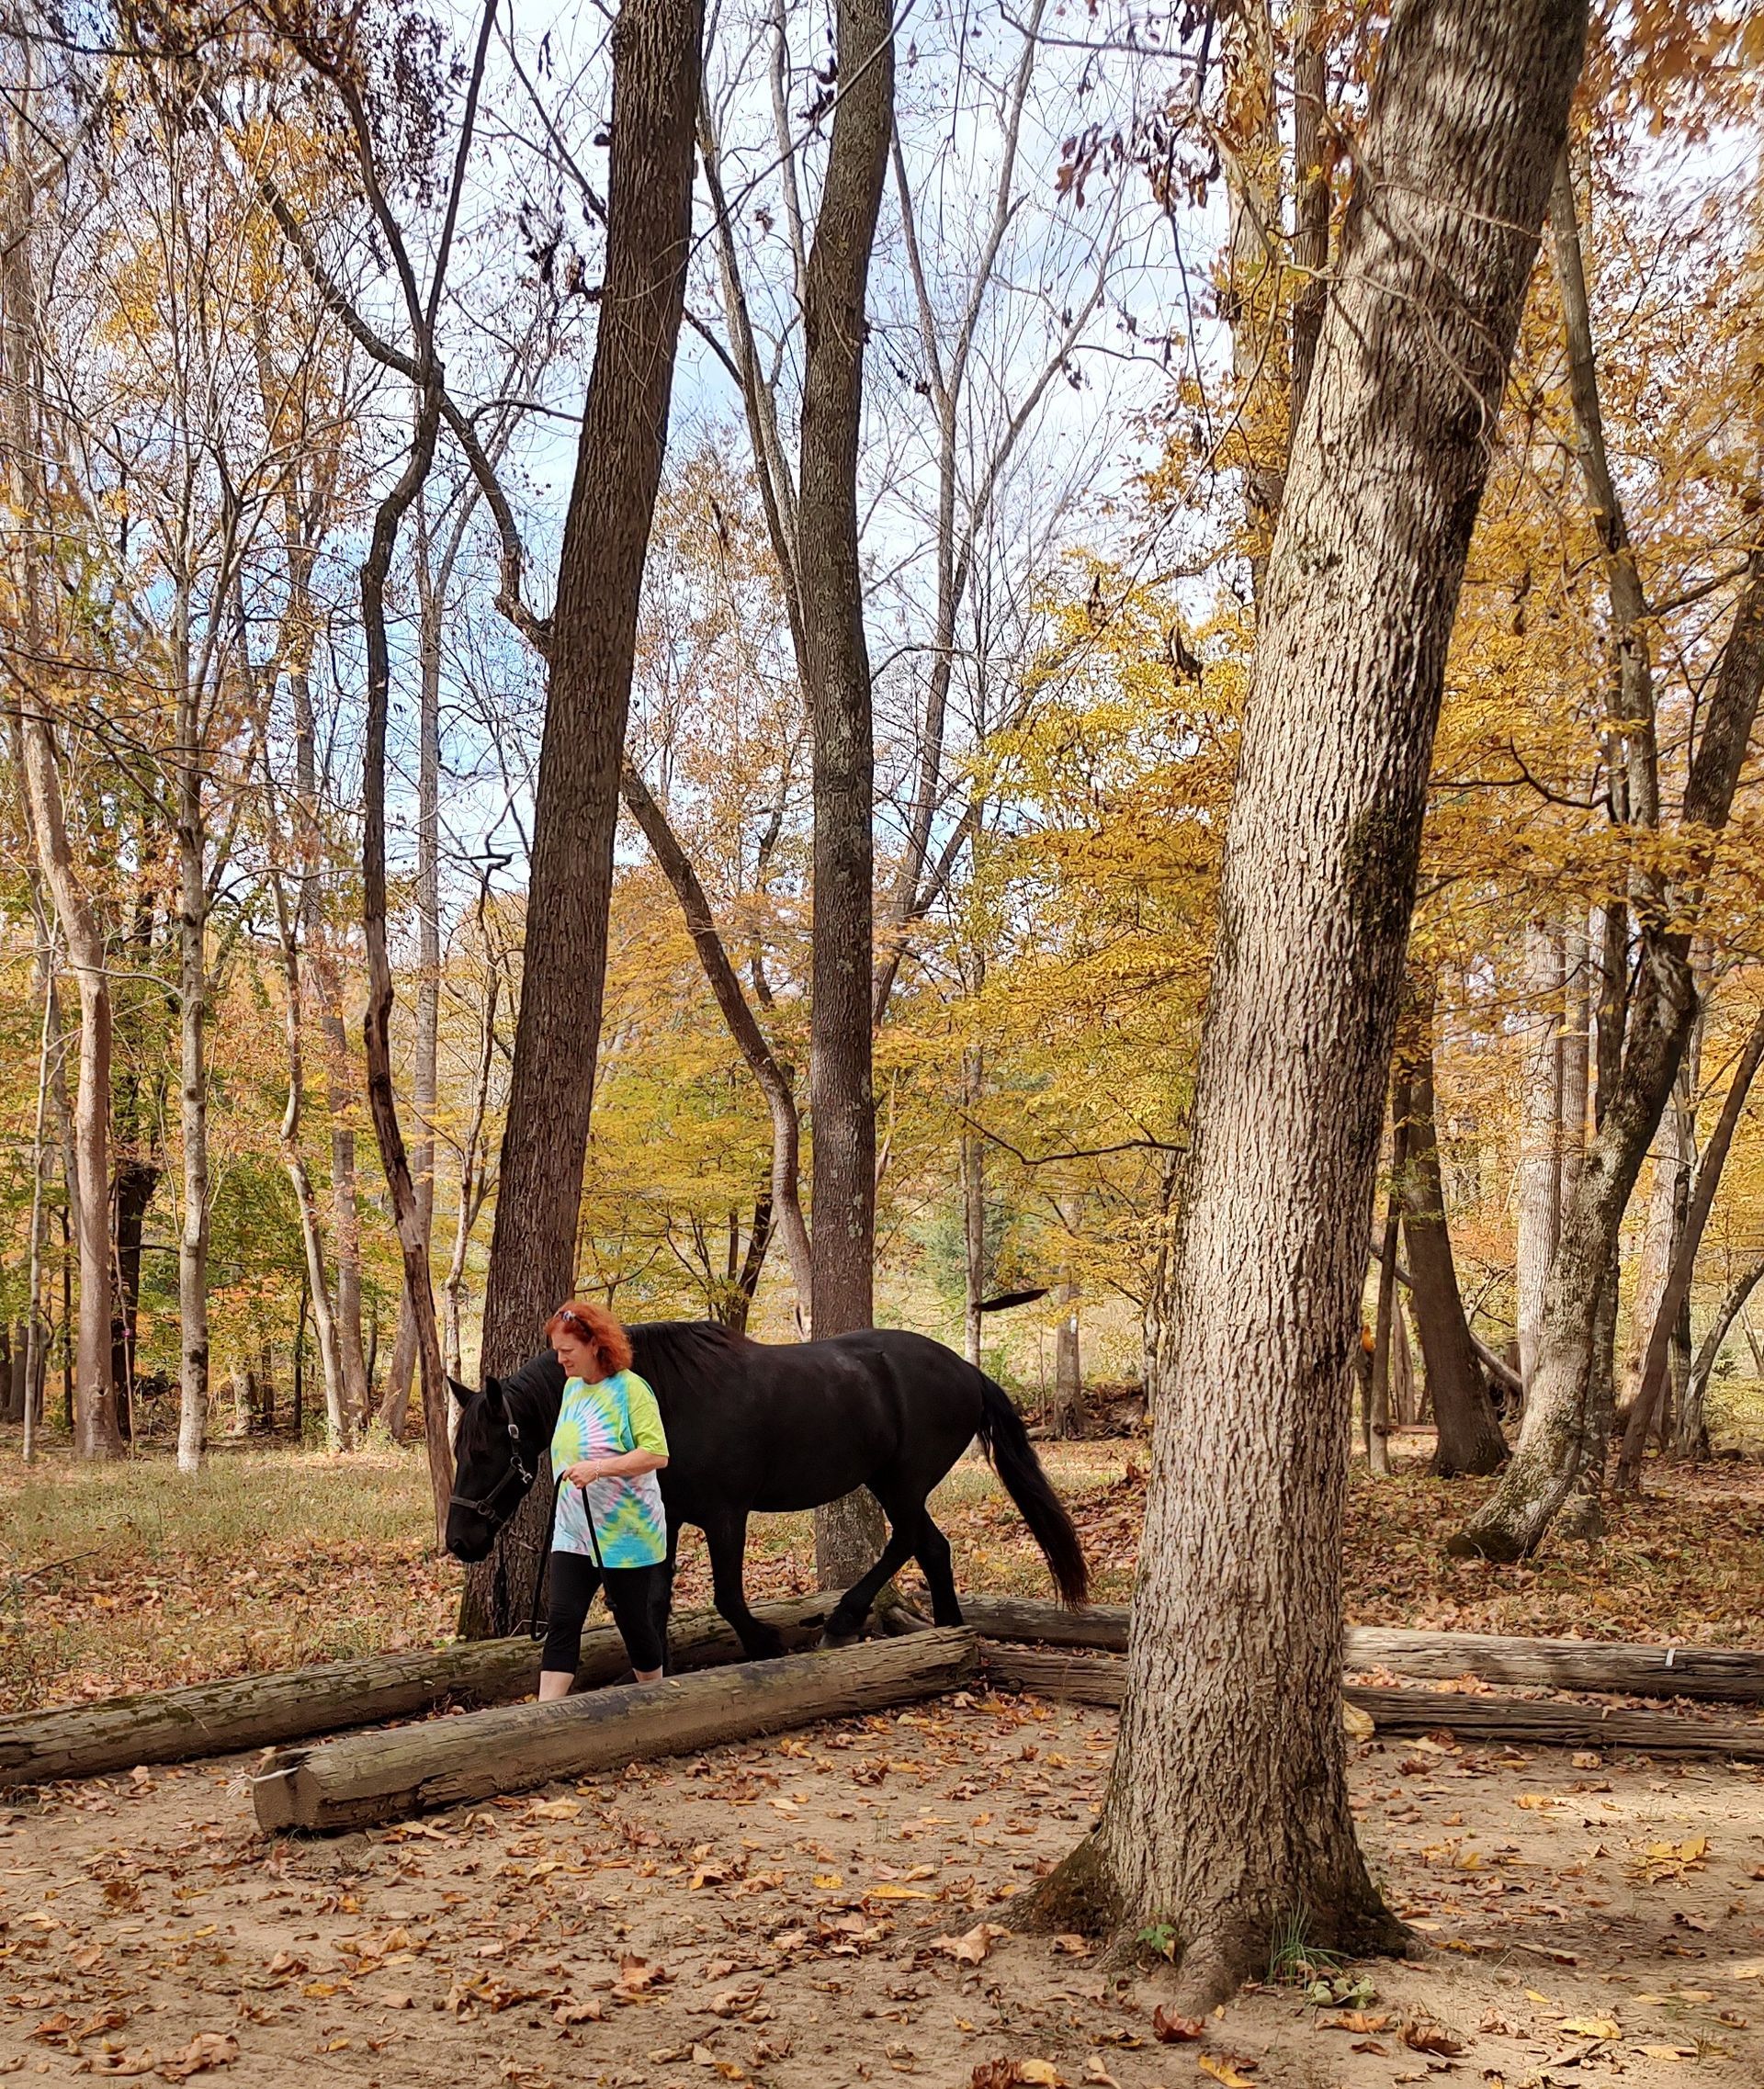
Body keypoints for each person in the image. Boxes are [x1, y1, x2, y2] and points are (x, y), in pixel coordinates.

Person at [538, 1300, 671, 1699]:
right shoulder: (571, 1389)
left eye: (568, 1351)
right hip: (574, 1528)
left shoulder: (632, 1390)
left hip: (625, 1532)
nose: (560, 1360)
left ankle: (657, 1700)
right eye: (557, 1352)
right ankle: (542, 1719)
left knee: (632, 1621)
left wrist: (598, 1469)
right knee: (562, 1618)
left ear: (595, 1344)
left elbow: (657, 1454)